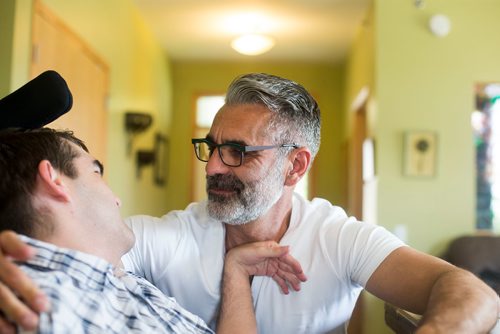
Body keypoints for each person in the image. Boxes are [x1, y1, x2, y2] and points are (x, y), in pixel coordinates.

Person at [0, 73, 499, 333]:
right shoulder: (166, 238)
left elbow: (471, 293)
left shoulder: (339, 237)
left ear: (296, 166)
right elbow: (63, 244)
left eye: (238, 152)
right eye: (212, 146)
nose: (214, 166)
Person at [0, 128, 306, 333]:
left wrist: (235, 270)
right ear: (55, 181)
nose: (116, 198)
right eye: (96, 172)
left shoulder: (115, 279)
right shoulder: (38, 309)